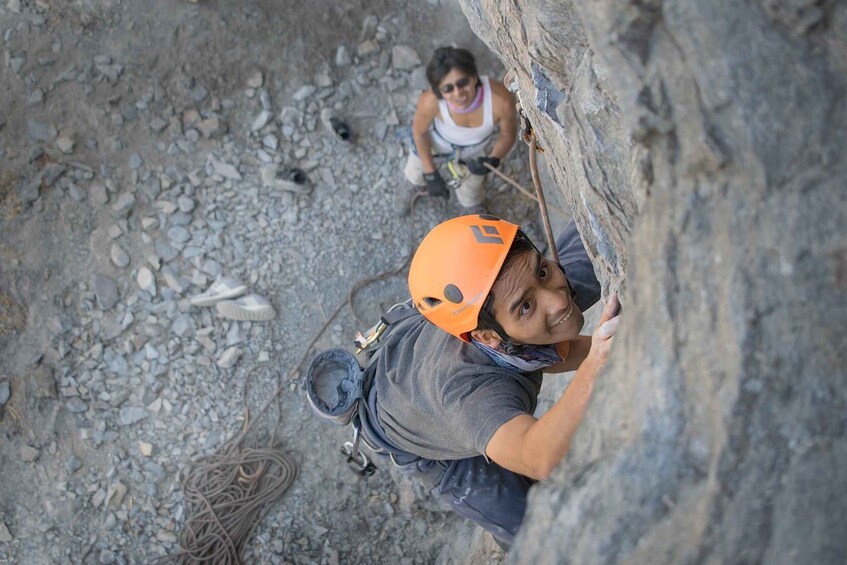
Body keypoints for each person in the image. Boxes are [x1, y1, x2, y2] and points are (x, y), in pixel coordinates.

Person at [357, 214, 621, 545]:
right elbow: (538, 457)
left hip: (442, 346)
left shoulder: (515, 307)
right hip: (422, 435)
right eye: (526, 306)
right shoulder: (469, 394)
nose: (556, 300)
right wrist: (597, 363)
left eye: (542, 269)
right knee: (541, 536)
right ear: (487, 337)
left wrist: (618, 346)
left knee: (584, 263)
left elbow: (548, 351)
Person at [395, 47, 518, 215]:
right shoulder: (430, 101)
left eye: (462, 83)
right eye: (448, 89)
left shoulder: (499, 100)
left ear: (474, 77)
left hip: (474, 152)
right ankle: (415, 182)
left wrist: (491, 160)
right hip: (436, 142)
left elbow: (508, 135)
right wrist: (430, 172)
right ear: (439, 91)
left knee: (472, 187)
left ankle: (471, 203)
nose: (458, 93)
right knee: (417, 166)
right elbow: (420, 133)